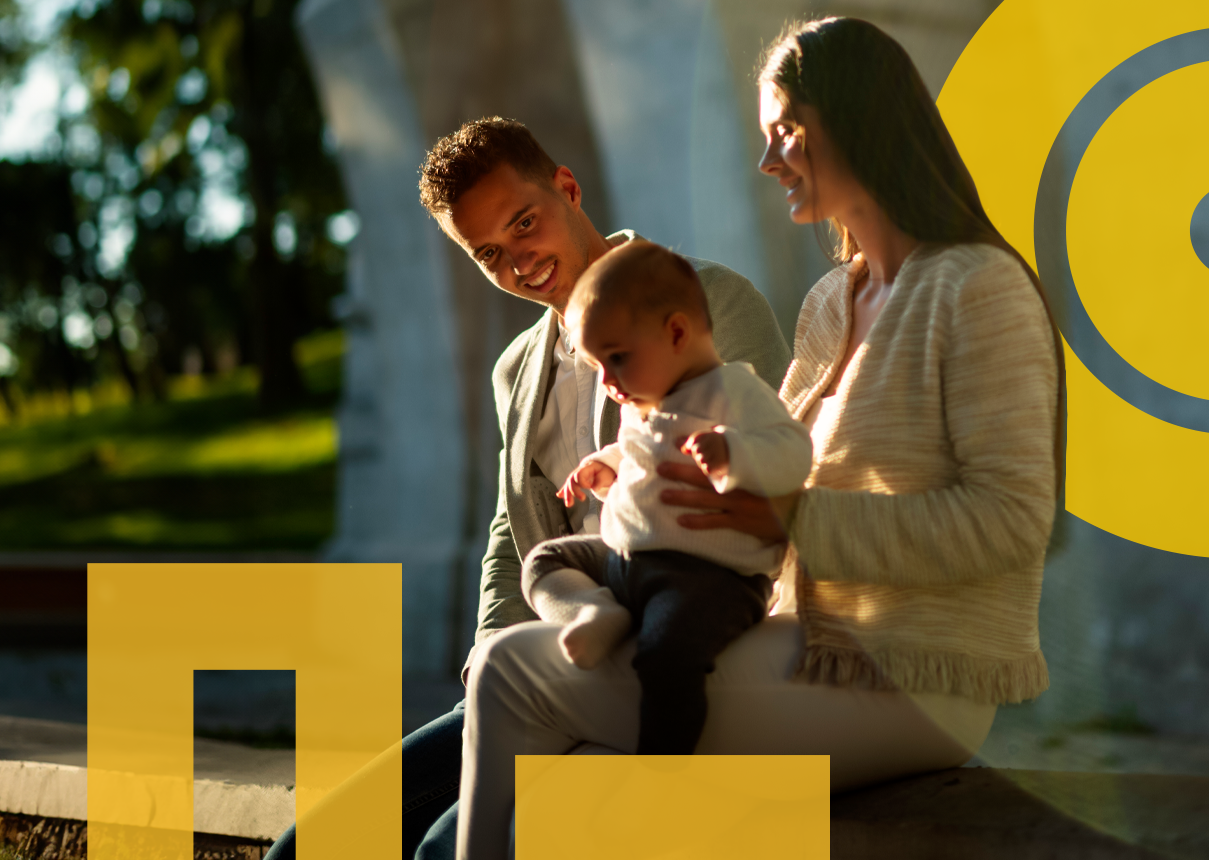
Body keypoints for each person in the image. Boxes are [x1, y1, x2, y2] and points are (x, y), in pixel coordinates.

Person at [455, 16, 1066, 860]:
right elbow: (746, 465)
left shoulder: (979, 287)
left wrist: (791, 519)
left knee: (513, 675)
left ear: (854, 122)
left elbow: (1012, 522)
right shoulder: (830, 303)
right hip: (800, 646)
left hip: (919, 676)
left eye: (785, 133)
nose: (768, 161)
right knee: (552, 806)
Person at [262, 118, 790, 860]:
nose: (518, 262)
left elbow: (771, 493)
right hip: (554, 656)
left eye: (525, 223)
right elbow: (515, 530)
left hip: (684, 662)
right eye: (488, 254)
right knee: (310, 848)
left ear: (568, 189)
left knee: (445, 850)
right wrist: (491, 649)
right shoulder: (516, 369)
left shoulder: (708, 303)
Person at [524, 240, 812, 754]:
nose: (609, 384)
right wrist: (605, 466)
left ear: (676, 332)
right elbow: (635, 453)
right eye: (599, 368)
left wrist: (735, 456)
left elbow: (793, 452)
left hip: (706, 578)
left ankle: (665, 769)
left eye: (616, 360)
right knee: (546, 561)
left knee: (666, 658)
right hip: (628, 564)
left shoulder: (732, 392)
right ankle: (593, 612)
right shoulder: (643, 398)